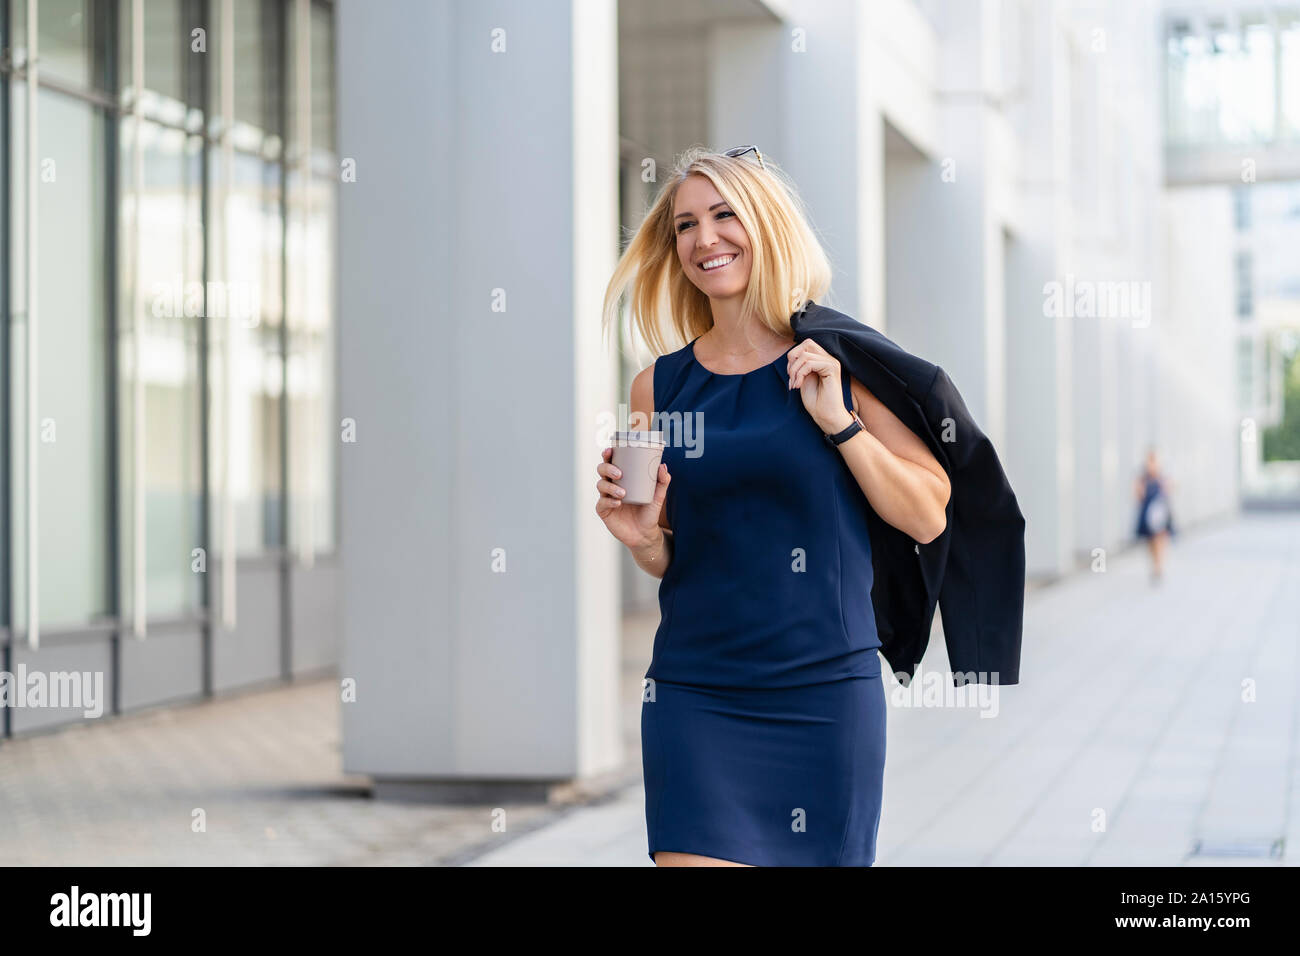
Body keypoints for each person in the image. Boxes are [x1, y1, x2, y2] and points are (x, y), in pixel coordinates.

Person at [594, 145, 950, 867]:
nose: (704, 238)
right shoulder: (654, 389)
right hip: (696, 694)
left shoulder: (839, 363)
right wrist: (641, 540)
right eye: (686, 225)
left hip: (824, 694)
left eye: (726, 215)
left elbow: (927, 515)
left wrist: (840, 423)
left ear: (768, 228)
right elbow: (669, 552)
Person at [1134, 446, 1175, 585]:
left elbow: (1171, 489)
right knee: (1150, 542)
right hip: (1147, 515)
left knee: (1159, 540)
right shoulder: (1142, 479)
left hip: (1160, 515)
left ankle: (1158, 567)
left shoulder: (1162, 478)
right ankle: (1155, 565)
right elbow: (1137, 495)